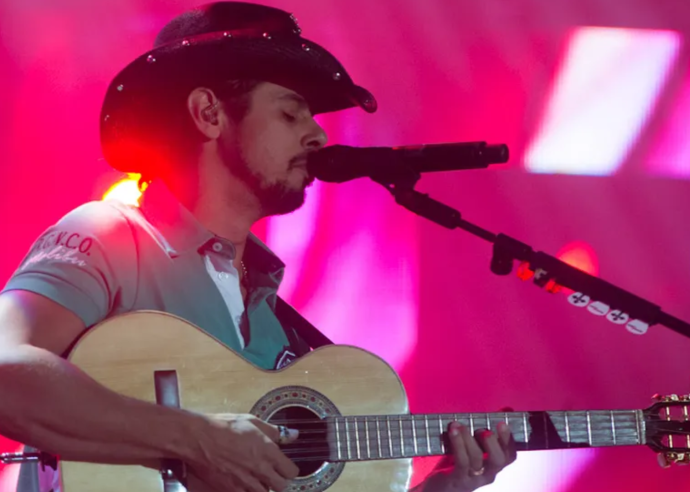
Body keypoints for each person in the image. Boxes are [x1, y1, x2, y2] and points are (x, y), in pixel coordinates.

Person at [0, 2, 516, 492]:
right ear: (208, 113)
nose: (317, 135)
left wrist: (444, 484)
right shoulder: (111, 238)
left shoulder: (275, 323)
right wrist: (200, 438)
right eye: (291, 115)